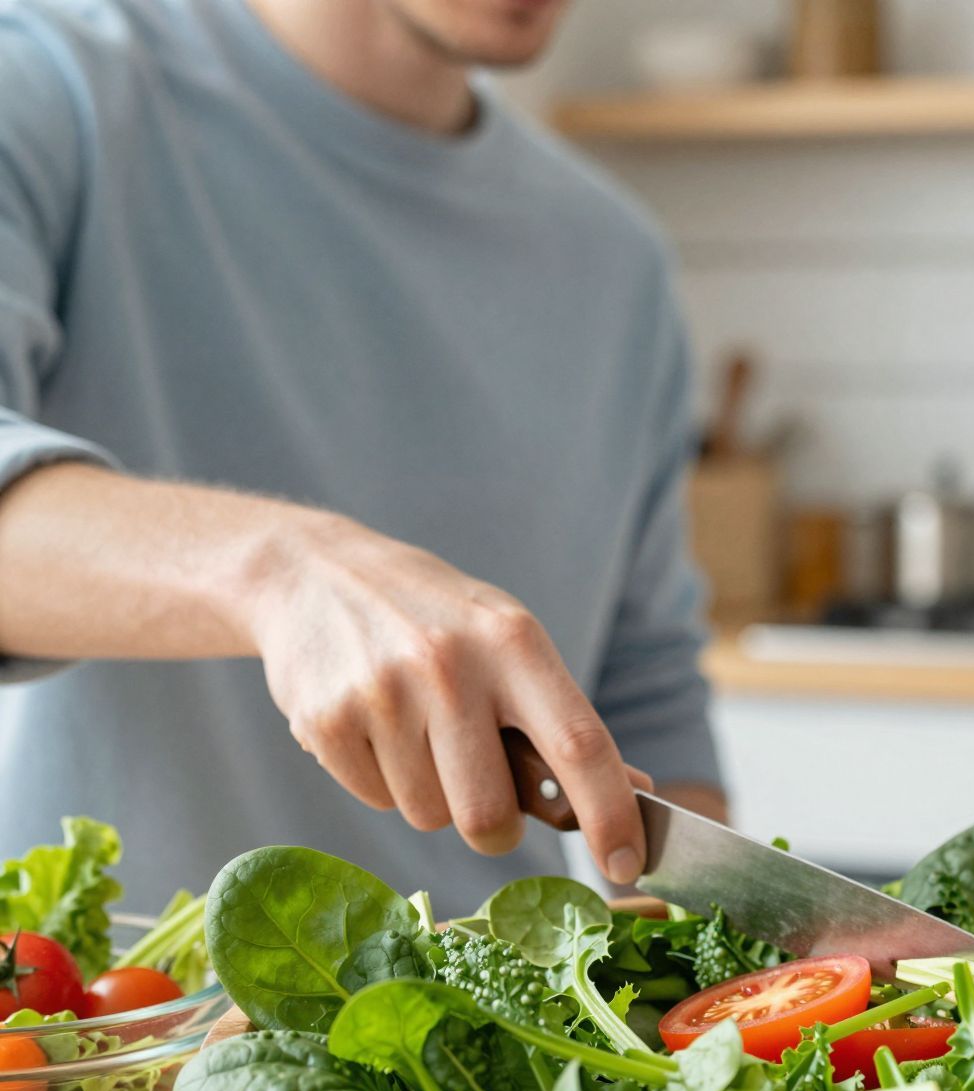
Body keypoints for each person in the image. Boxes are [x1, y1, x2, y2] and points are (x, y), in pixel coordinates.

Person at [0, 0, 725, 911]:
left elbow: (645, 688)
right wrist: (281, 571)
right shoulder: (48, 88)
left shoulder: (614, 261)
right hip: (102, 1000)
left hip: (478, 1002)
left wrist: (715, 964)